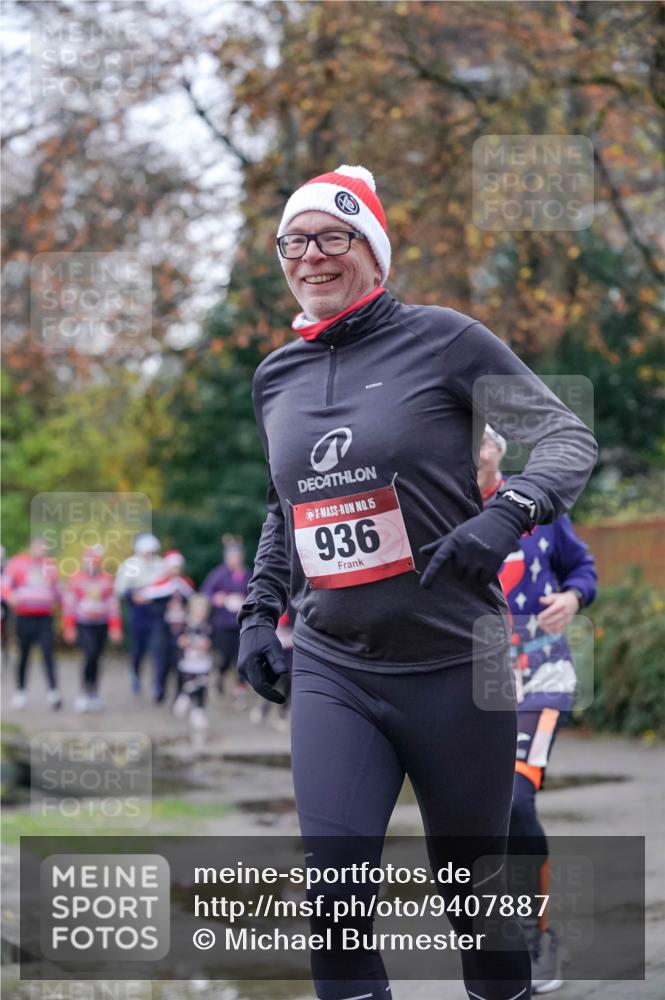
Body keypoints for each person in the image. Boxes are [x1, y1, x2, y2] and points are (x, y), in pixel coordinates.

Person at [237, 164, 597, 1000]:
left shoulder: (445, 339)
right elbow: (280, 508)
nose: (311, 255)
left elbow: (565, 439)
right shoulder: (274, 377)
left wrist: (504, 515)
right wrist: (260, 613)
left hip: (452, 665)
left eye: (334, 236)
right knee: (332, 896)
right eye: (295, 241)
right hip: (336, 664)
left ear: (373, 247)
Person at [479, 425, 597, 994]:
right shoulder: (434, 509)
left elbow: (583, 569)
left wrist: (573, 597)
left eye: (481, 437)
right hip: (473, 682)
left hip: (542, 677)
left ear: (499, 451)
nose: (471, 445)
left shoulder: (537, 507)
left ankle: (536, 932)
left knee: (516, 798)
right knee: (482, 813)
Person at [2, 537, 62, 709]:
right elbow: (5, 585)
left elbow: (57, 589)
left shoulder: (50, 566)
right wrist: (10, 596)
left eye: (44, 547)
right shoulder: (18, 563)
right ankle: (21, 691)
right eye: (39, 546)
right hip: (24, 616)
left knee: (48, 652)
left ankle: (53, 692)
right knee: (24, 654)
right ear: (31, 547)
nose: (42, 550)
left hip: (45, 616)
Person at [62, 544, 123, 711]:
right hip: (84, 624)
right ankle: (84, 692)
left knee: (97, 657)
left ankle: (94, 693)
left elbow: (113, 605)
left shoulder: (106, 580)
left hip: (101, 624)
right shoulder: (76, 579)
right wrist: (69, 627)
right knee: (88, 655)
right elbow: (69, 605)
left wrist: (115, 627)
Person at [200, 535, 251, 707]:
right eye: (231, 557)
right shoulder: (218, 574)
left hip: (241, 624)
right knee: (224, 658)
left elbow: (255, 595)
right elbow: (205, 593)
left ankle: (240, 692)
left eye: (237, 557)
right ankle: (219, 678)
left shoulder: (248, 575)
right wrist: (218, 599)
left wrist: (245, 602)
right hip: (222, 624)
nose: (234, 560)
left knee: (242, 659)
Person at [138, 549, 194, 703]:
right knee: (161, 660)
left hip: (180, 629)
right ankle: (159, 689)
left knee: (180, 662)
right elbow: (149, 604)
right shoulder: (159, 585)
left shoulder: (185, 585)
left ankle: (179, 692)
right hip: (162, 628)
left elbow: (192, 602)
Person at [114, 533, 165, 693]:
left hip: (156, 611)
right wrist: (133, 595)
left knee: (156, 648)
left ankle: (157, 682)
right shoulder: (130, 565)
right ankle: (135, 674)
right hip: (138, 612)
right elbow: (120, 589)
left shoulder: (160, 564)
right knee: (137, 648)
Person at [172, 593, 214, 732]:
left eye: (203, 609)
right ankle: (184, 697)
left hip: (203, 662)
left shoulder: (208, 626)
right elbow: (180, 640)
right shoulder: (185, 624)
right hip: (187, 661)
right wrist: (186, 642)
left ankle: (198, 712)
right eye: (198, 608)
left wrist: (205, 645)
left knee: (202, 685)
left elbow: (209, 642)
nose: (201, 612)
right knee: (188, 682)